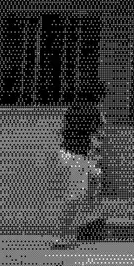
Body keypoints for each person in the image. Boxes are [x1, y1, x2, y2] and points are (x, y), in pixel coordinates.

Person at [53, 80, 108, 248]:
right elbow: (99, 133)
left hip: (67, 153)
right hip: (77, 157)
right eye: (102, 97)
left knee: (95, 178)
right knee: (75, 197)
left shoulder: (74, 108)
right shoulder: (93, 111)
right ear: (98, 96)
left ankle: (87, 219)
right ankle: (63, 237)